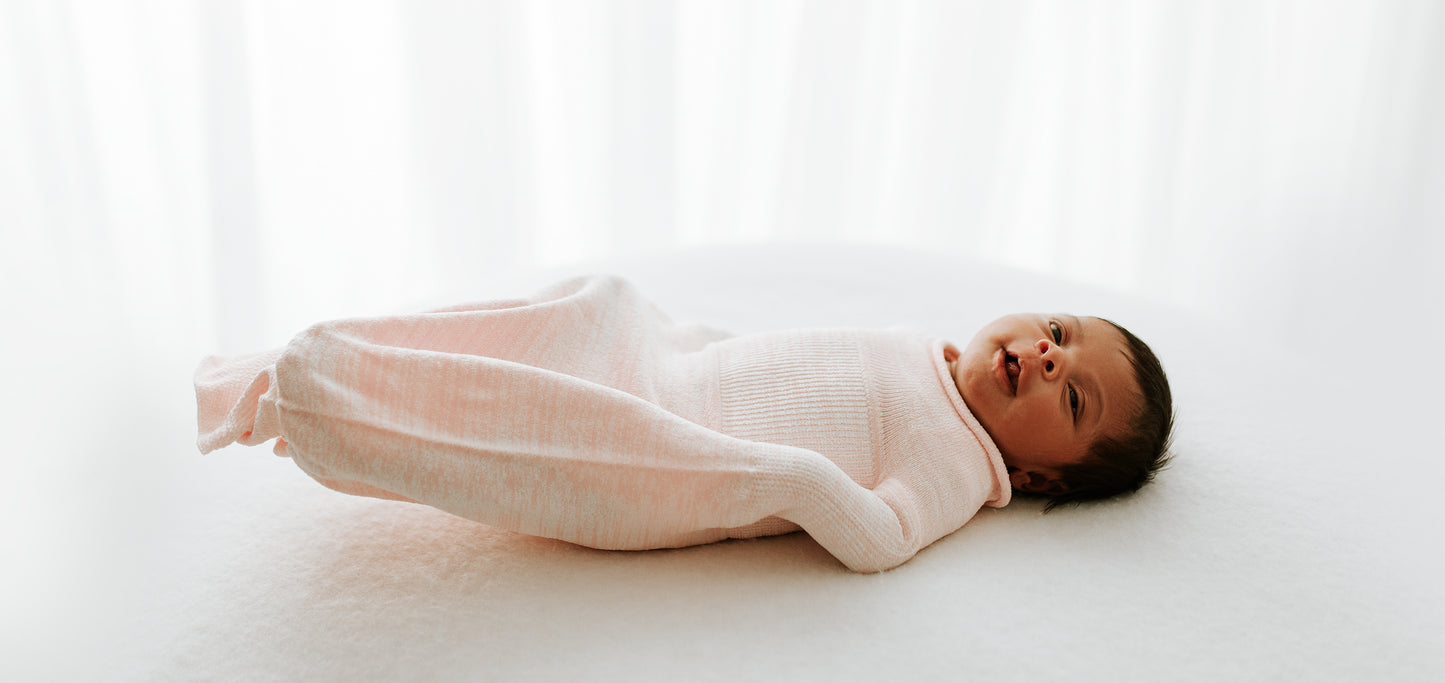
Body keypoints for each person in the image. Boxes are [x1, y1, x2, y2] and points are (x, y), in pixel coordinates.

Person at [195, 274, 1173, 572]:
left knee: (530, 432)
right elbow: (799, 356)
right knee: (588, 308)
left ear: (1041, 477)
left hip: (682, 457)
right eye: (1057, 333)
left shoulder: (958, 468)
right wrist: (694, 339)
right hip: (674, 374)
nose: (1045, 357)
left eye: (1070, 394)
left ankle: (323, 402)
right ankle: (313, 367)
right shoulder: (926, 353)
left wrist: (780, 476)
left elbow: (878, 539)